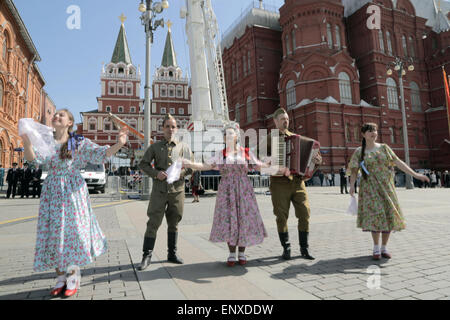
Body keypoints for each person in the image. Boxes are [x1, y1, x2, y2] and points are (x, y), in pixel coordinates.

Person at [21, 108, 128, 297]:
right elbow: (32, 159)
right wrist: (27, 140)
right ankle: (60, 278)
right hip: (52, 192)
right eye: (55, 114)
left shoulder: (76, 142)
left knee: (72, 233)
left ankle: (72, 277)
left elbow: (100, 153)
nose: (56, 116)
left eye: (61, 115)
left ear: (70, 122)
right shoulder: (46, 141)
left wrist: (119, 144)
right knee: (54, 233)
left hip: (72, 192)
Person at [183, 124, 269, 266]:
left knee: (243, 219)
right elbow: (206, 166)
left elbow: (258, 166)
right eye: (225, 134)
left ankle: (242, 253)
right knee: (229, 220)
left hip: (244, 190)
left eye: (230, 134)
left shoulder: (245, 152)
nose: (227, 136)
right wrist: (190, 164)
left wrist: (272, 165)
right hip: (226, 191)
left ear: (236, 137)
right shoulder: (220, 154)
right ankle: (231, 253)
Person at [348, 123, 429, 260]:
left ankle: (384, 247)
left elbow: (398, 163)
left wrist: (415, 175)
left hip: (387, 188)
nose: (373, 133)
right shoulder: (358, 152)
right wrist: (351, 186)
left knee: (388, 215)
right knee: (375, 217)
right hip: (369, 189)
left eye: (375, 130)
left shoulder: (385, 148)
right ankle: (375, 248)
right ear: (363, 134)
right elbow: (354, 170)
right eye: (369, 131)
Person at [259, 108, 322, 260]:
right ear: (275, 121)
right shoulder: (269, 138)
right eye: (282, 119)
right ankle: (286, 249)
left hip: (298, 182)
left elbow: (310, 161)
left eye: (286, 119)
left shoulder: (296, 138)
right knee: (281, 216)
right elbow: (259, 160)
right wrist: (272, 162)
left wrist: (317, 162)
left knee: (305, 214)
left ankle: (304, 249)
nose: (285, 121)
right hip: (279, 183)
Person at [137, 114, 194, 271]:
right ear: (162, 128)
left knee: (174, 222)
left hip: (177, 190)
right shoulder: (155, 147)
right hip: (159, 190)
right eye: (167, 126)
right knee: (153, 222)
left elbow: (191, 168)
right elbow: (143, 164)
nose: (170, 129)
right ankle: (146, 256)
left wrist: (179, 174)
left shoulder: (184, 147)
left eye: (173, 126)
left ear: (177, 129)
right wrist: (156, 174)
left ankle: (172, 254)